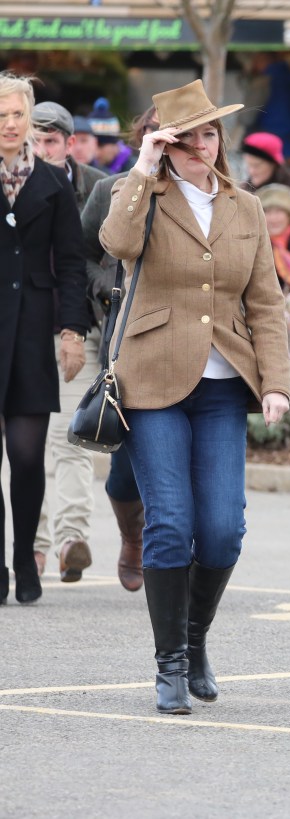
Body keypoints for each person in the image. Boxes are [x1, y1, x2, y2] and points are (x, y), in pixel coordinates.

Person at [99, 79, 290, 714]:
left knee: (221, 532)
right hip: (153, 380)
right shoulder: (143, 196)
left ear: (220, 140)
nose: (198, 147)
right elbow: (117, 245)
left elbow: (265, 303)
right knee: (172, 524)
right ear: (164, 144)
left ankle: (196, 637)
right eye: (183, 139)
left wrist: (276, 384)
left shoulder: (246, 207)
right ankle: (170, 664)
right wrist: (144, 167)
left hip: (221, 387)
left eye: (207, 135)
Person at [0, 71, 88, 605]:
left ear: (29, 117)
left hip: (33, 329)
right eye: (0, 116)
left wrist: (72, 330)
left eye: (16, 115)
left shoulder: (54, 183)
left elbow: (73, 264)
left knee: (27, 456)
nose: (8, 125)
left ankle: (23, 556)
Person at [79, 104, 161, 593]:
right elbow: (86, 251)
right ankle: (133, 534)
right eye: (153, 131)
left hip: (191, 343)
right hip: (126, 336)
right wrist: (105, 287)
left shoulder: (211, 194)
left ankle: (173, 547)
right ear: (139, 137)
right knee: (125, 465)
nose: (162, 140)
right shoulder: (108, 190)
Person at [30, 101, 107, 581]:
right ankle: (32, 545)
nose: (40, 151)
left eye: (50, 142)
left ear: (70, 144)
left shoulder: (98, 188)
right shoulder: (9, 183)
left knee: (71, 438)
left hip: (82, 328)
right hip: (21, 329)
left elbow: (107, 256)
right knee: (25, 443)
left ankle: (71, 540)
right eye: (32, 142)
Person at [241, 131, 290, 234]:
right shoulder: (245, 189)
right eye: (248, 165)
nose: (251, 171)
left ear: (274, 164)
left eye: (257, 166)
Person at [88, 97, 136, 174]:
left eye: (100, 145)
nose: (96, 152)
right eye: (92, 145)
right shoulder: (91, 168)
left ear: (115, 143)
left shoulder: (135, 169)